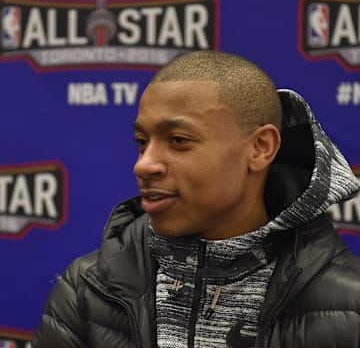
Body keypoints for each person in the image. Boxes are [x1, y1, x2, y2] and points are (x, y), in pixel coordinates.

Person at [32, 51, 360, 348]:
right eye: (142, 142)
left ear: (260, 148)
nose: (143, 164)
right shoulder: (87, 289)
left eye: (178, 140)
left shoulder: (351, 306)